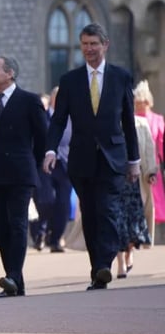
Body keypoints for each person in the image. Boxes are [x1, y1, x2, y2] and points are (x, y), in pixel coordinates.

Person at [43, 23, 140, 291]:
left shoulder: (121, 77)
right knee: (91, 214)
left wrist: (134, 161)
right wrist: (50, 151)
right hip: (81, 159)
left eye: (94, 44)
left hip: (113, 158)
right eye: (85, 44)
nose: (89, 49)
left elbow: (128, 122)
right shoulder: (70, 80)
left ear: (105, 44)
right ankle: (97, 268)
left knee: (108, 210)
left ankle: (104, 265)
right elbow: (58, 121)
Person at [0, 56, 48, 298]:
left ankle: (12, 276)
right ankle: (16, 282)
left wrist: (34, 161)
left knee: (18, 223)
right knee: (1, 226)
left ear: (10, 73)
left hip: (21, 172)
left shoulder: (29, 101)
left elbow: (42, 137)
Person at [30, 86, 73, 253]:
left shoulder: (72, 117)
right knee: (46, 200)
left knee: (63, 203)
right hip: (45, 165)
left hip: (66, 165)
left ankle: (55, 239)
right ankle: (41, 232)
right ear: (53, 98)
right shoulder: (43, 115)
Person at [115, 114, 156, 277]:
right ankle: (120, 263)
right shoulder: (107, 118)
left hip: (134, 180)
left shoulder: (141, 123)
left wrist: (151, 171)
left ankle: (129, 251)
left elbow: (148, 149)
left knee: (134, 222)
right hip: (114, 179)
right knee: (117, 221)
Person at [133, 79, 164, 243]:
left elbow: (161, 142)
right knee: (137, 201)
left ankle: (151, 236)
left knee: (152, 203)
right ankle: (138, 234)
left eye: (142, 102)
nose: (139, 105)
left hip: (152, 166)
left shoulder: (158, 119)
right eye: (137, 102)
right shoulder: (131, 118)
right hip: (135, 164)